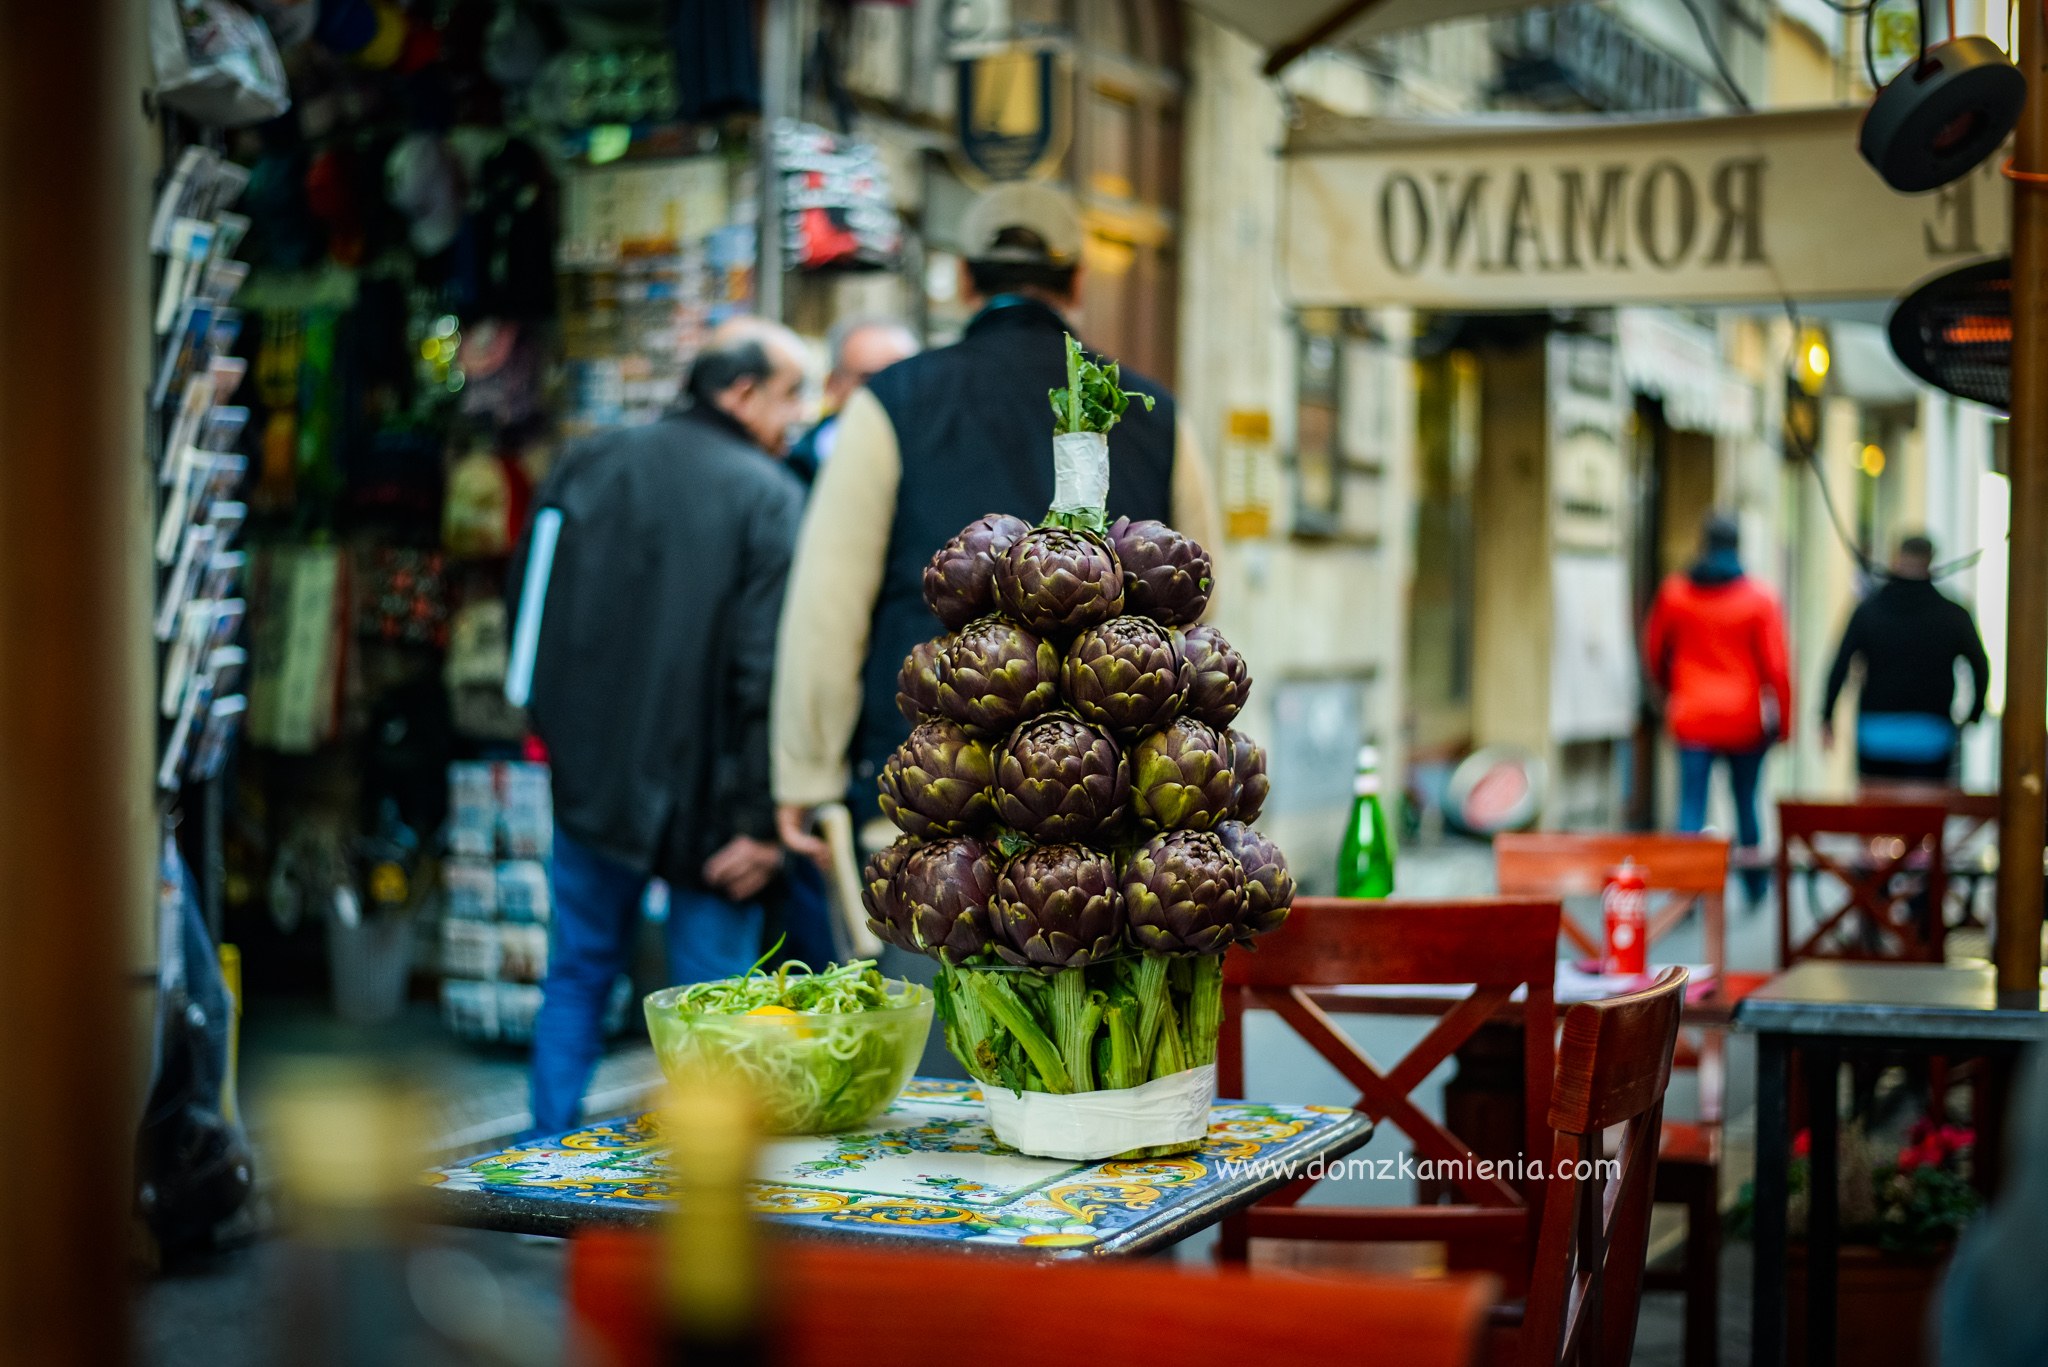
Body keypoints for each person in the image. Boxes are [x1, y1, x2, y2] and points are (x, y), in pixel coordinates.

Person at [767, 180, 1221, 969]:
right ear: (1078, 282)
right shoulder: (1156, 413)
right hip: (1116, 842)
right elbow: (1206, 619)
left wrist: (804, 770)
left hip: (935, 831)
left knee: (945, 1077)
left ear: (965, 280)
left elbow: (827, 604)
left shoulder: (889, 405)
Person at [510, 317, 809, 1133]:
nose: (800, 418)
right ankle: (701, 1210)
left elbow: (528, 617)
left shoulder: (591, 463)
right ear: (741, 392)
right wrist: (762, 818)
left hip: (592, 786)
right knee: (712, 1010)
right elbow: (764, 672)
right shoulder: (769, 496)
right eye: (790, 395)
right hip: (716, 810)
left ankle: (543, 1176)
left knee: (575, 975)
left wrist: (558, 742)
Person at [1643, 513, 1794, 898]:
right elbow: (1777, 668)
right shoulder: (1760, 599)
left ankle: (1686, 890)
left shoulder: (1676, 593)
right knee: (1746, 803)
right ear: (1738, 546)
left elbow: (1655, 651)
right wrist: (1785, 723)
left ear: (1703, 544)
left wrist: (1666, 691)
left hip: (1692, 715)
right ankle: (1755, 885)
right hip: (1743, 720)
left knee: (1690, 806)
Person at [1821, 533, 1988, 783]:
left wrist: (1826, 717)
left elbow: (1840, 664)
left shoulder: (1869, 611)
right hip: (1932, 737)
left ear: (1896, 559)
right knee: (1925, 818)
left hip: (1875, 735)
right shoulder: (1953, 614)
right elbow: (1980, 666)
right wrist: (1973, 715)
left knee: (1878, 815)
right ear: (1931, 561)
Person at [785, 316, 919, 488]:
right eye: (870, 380)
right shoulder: (794, 471)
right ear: (833, 386)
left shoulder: (944, 463)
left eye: (905, 379)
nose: (892, 392)